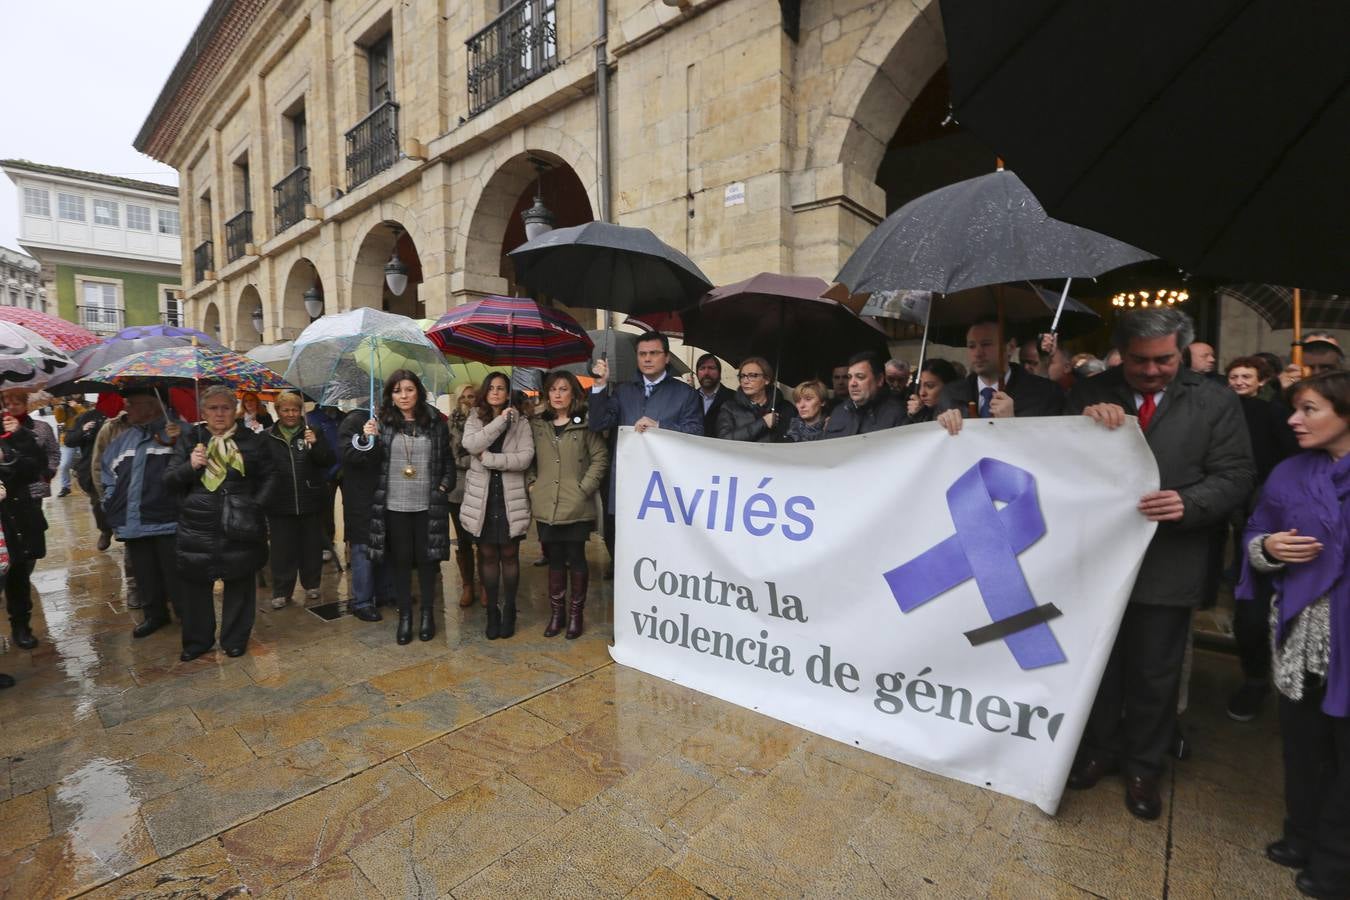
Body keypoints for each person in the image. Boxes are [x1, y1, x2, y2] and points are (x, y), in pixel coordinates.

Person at [1066, 308, 1255, 820]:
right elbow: (1056, 464)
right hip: (1100, 560)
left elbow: (1237, 474)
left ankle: (1144, 766)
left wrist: (1188, 503)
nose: (1151, 371)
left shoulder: (1214, 400)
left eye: (1164, 360)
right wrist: (1078, 432)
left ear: (1184, 352)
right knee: (1100, 666)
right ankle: (1099, 750)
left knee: (1155, 671)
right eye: (1139, 361)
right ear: (1121, 353)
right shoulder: (1088, 393)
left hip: (1171, 558)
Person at [1236, 371, 1350, 897]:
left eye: (1309, 409)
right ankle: (1300, 834)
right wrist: (1270, 548)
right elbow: (1256, 531)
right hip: (1301, 632)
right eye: (1294, 409)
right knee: (1303, 744)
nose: (1293, 420)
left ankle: (1336, 862)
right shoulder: (1287, 472)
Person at [166, 384, 275, 661]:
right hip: (197, 526)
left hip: (240, 524)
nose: (219, 413)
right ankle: (197, 641)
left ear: (234, 410)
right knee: (195, 585)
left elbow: (271, 476)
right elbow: (168, 480)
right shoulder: (191, 438)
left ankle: (235, 639)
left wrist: (255, 505)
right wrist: (189, 465)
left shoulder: (251, 439)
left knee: (239, 583)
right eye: (213, 408)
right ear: (203, 411)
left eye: (225, 407)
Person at [589, 330, 703, 561]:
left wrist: (661, 426)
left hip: (664, 487)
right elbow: (598, 422)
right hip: (627, 483)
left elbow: (696, 434)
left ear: (667, 357)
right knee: (623, 547)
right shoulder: (623, 391)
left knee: (660, 550)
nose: (647, 359)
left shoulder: (685, 394)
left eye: (653, 353)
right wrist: (599, 385)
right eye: (642, 354)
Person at [361, 371, 454, 645]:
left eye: (409, 389)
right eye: (398, 390)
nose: (403, 395)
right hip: (394, 506)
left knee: (427, 562)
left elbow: (448, 461)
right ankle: (405, 618)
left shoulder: (435, 422)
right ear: (391, 395)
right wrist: (369, 440)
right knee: (401, 562)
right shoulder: (382, 424)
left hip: (427, 505)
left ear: (418, 392)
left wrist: (443, 487)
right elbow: (368, 466)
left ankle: (427, 614)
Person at [530, 370, 608, 639]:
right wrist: (533, 484)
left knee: (576, 558)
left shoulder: (585, 424)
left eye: (563, 389)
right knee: (554, 559)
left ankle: (576, 615)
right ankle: (556, 615)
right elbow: (529, 458)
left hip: (576, 506)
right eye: (553, 390)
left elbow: (600, 458)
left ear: (573, 393)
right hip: (546, 505)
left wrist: (583, 488)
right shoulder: (538, 424)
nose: (558, 394)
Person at [99, 387, 182, 638]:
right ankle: (154, 615)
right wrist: (110, 503)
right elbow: (106, 474)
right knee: (145, 574)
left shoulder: (177, 433)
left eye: (132, 403)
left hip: (168, 521)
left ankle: (185, 613)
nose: (127, 408)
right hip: (133, 522)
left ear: (153, 406)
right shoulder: (122, 440)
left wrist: (180, 441)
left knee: (176, 573)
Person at [461, 372, 533, 640]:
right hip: (482, 498)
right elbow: (470, 444)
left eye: (501, 388)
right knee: (488, 555)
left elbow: (524, 458)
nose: (495, 392)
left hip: (509, 497)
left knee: (510, 555)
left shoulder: (521, 422)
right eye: (491, 387)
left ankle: (510, 608)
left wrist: (490, 459)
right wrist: (500, 422)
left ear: (508, 392)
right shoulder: (475, 418)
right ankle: (492, 610)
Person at [261, 392, 335, 610]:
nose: (291, 414)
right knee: (282, 549)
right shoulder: (267, 436)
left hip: (310, 498)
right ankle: (282, 590)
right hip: (280, 502)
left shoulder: (313, 431)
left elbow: (327, 461)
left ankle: (312, 584)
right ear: (277, 411)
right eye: (286, 410)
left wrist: (317, 444)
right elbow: (261, 467)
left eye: (295, 409)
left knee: (310, 547)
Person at [935, 320, 1064, 431]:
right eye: (971, 346)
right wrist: (941, 426)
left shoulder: (1045, 393)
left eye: (986, 344)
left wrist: (1012, 424)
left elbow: (1052, 445)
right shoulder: (949, 394)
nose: (978, 353)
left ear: (1011, 347)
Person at [0, 389, 55, 650]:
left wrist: (19, 439)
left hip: (16, 517)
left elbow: (36, 466)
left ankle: (21, 627)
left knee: (18, 576)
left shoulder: (14, 430)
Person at [338, 406, 392, 622]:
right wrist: (365, 439)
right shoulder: (353, 421)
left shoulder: (390, 420)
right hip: (361, 497)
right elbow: (347, 454)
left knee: (386, 544)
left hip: (385, 493)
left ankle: (386, 592)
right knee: (363, 548)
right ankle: (362, 602)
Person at [446, 383, 479, 608]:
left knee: (483, 539)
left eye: (471, 396)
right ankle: (468, 584)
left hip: (480, 488)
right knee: (464, 539)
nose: (467, 400)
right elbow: (453, 456)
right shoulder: (451, 424)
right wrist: (478, 460)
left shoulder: (484, 420)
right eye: (463, 397)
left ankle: (486, 583)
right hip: (458, 490)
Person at [822, 352, 906, 438]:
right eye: (850, 377)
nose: (852, 383)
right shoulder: (839, 411)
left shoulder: (897, 414)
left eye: (860, 377)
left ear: (879, 379)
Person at [65, 400, 110, 549]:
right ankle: (105, 530)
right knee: (98, 502)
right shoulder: (86, 417)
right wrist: (83, 430)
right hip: (92, 468)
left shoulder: (125, 416)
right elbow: (69, 440)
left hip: (118, 465)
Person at [716, 357, 793, 443]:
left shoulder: (785, 408)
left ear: (767, 379)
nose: (745, 381)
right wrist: (763, 423)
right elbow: (724, 439)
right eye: (742, 376)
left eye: (752, 376)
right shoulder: (729, 407)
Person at [306, 404, 343, 567]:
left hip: (345, 468)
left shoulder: (343, 417)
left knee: (350, 506)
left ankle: (349, 542)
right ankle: (327, 542)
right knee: (325, 509)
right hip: (325, 470)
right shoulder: (311, 417)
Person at [904, 358, 960, 425]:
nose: (922, 393)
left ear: (948, 386)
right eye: (919, 386)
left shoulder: (960, 412)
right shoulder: (922, 410)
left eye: (929, 386)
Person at [694, 353, 736, 437]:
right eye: (702, 368)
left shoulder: (734, 398)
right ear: (697, 373)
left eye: (711, 368)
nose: (706, 372)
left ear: (720, 373)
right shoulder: (690, 398)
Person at [52, 398, 85, 497]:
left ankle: (88, 483)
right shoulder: (63, 407)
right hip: (68, 438)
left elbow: (85, 416)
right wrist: (59, 408)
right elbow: (59, 420)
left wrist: (76, 406)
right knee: (64, 464)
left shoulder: (83, 405)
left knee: (87, 461)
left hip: (83, 436)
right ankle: (65, 487)